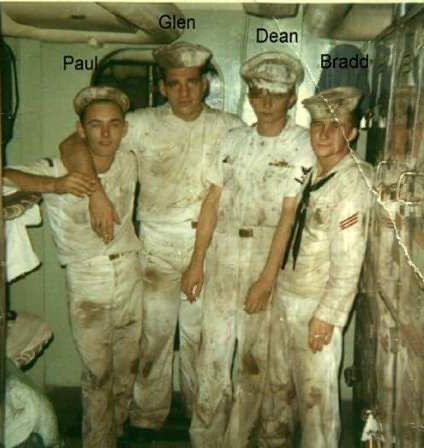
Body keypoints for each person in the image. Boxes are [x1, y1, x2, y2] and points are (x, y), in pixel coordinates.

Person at [59, 42, 243, 436]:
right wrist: (95, 192)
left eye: (191, 82)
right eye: (174, 84)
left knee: (198, 338)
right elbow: (73, 143)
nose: (184, 92)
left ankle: (199, 414)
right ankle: (147, 416)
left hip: (207, 244)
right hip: (157, 243)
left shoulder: (230, 127)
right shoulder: (140, 124)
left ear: (205, 85)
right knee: (154, 337)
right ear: (162, 88)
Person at [181, 51, 315, 447]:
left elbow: (289, 215)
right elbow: (211, 202)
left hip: (266, 252)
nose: (265, 101)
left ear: (291, 98)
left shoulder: (302, 144)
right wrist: (196, 263)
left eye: (276, 93)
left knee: (253, 362)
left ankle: (238, 440)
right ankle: (205, 440)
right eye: (258, 92)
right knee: (212, 355)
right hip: (222, 251)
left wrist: (267, 279)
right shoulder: (233, 139)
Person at [4, 86, 142, 448]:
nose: (106, 134)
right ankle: (97, 442)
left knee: (127, 368)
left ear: (125, 129)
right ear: (81, 129)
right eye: (95, 125)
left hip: (131, 271)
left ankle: (119, 430)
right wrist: (56, 185)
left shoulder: (129, 160)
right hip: (88, 278)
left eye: (114, 124)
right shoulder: (57, 167)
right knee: (98, 373)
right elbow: (0, 175)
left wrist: (97, 192)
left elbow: (78, 144)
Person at [260, 86, 373, 447]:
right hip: (288, 294)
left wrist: (327, 316)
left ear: (351, 133)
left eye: (335, 125)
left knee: (316, 403)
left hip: (315, 304)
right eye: (317, 125)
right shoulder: (310, 170)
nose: (323, 134)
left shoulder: (354, 182)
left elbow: (349, 260)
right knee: (279, 391)